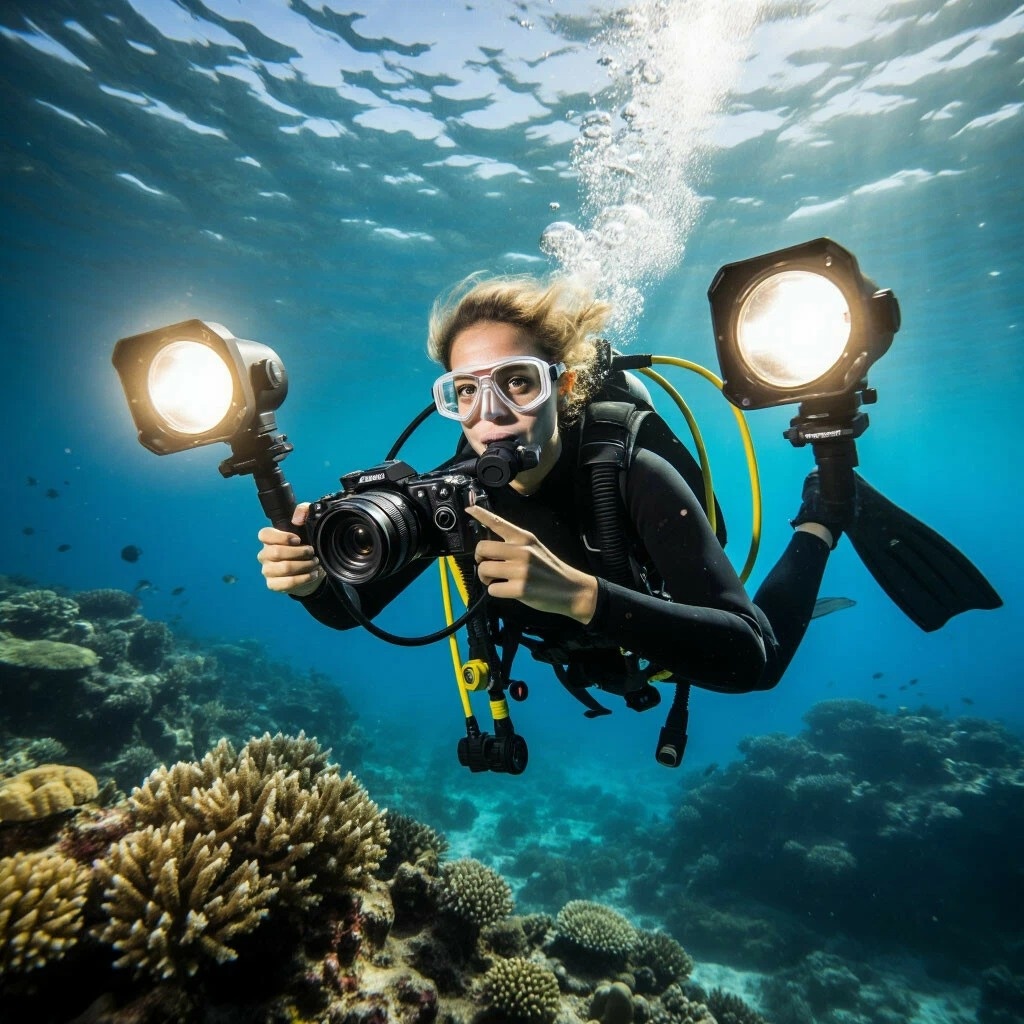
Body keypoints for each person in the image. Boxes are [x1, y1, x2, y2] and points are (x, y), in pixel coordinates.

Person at [257, 276, 838, 700]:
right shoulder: (451, 497)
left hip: (663, 636)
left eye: (518, 382)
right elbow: (350, 611)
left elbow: (751, 660)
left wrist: (582, 596)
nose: (492, 414)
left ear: (565, 386)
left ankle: (824, 514)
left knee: (776, 658)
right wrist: (311, 582)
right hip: (585, 656)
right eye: (465, 391)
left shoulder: (631, 474)